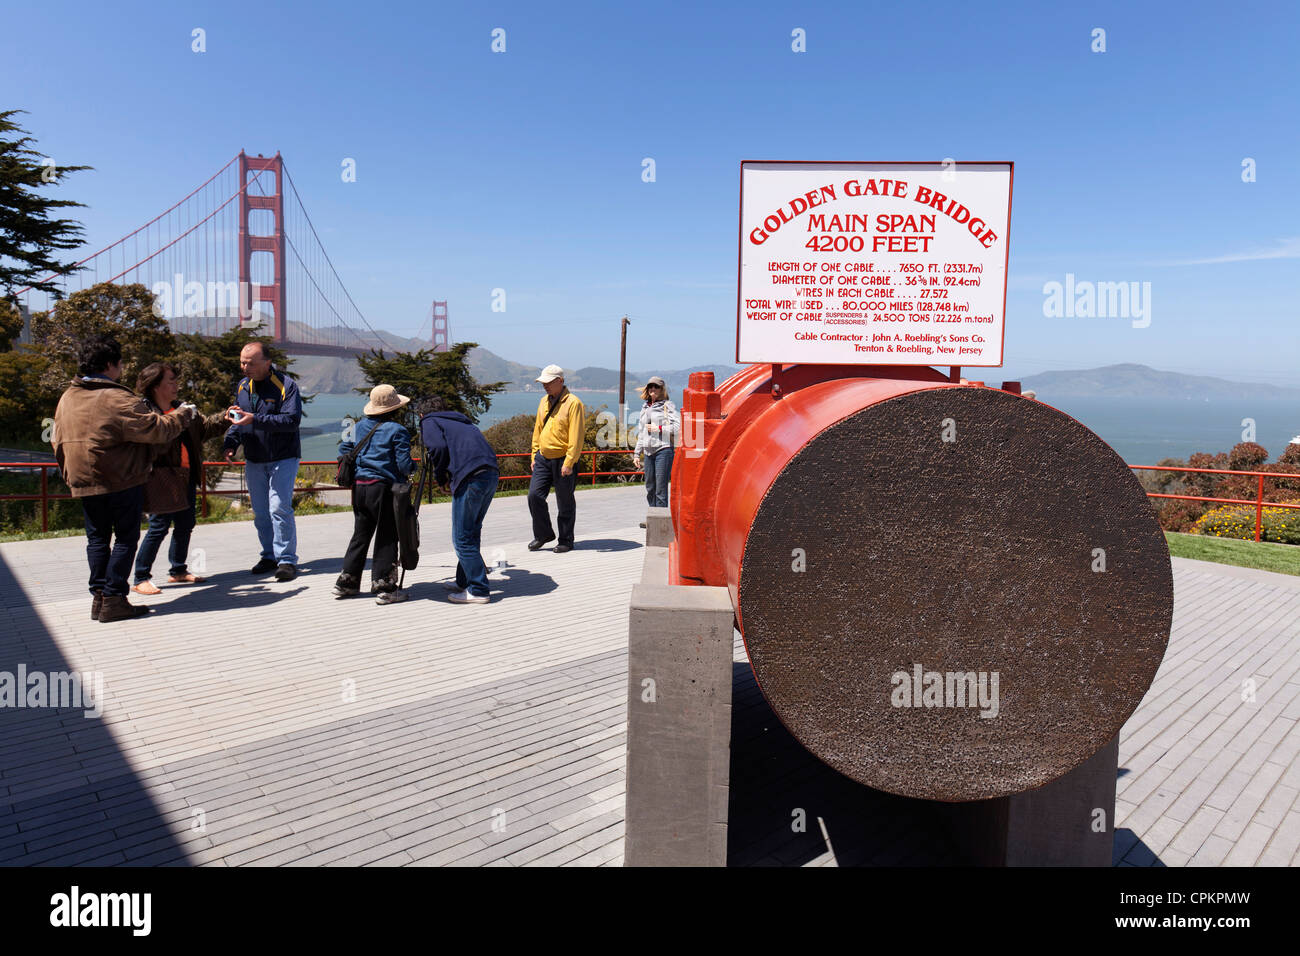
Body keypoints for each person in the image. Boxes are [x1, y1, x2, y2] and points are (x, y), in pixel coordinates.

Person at [52, 335, 197, 623]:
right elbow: (155, 429)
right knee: (126, 537)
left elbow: (56, 440)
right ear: (109, 365)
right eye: (119, 363)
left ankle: (99, 598)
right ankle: (115, 598)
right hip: (118, 478)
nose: (121, 369)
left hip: (81, 479)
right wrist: (182, 415)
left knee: (97, 539)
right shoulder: (116, 397)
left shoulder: (67, 397)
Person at [130, 364, 231, 595]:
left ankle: (178, 570)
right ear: (155, 386)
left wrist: (226, 417)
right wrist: (177, 420)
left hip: (186, 476)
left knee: (185, 525)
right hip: (160, 477)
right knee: (159, 527)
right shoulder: (145, 413)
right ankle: (140, 577)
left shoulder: (181, 409)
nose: (176, 385)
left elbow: (204, 429)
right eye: (171, 381)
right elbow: (151, 445)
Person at [223, 342, 302, 581]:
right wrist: (230, 443)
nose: (245, 367)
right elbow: (239, 418)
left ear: (267, 363)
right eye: (242, 362)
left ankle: (286, 560)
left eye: (251, 363)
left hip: (283, 457)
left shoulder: (286, 386)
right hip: (254, 458)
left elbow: (291, 421)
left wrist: (254, 419)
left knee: (279, 507)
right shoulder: (242, 386)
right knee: (260, 512)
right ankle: (269, 556)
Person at [334, 384, 414, 598]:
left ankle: (347, 581)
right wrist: (414, 468)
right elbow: (404, 465)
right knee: (387, 535)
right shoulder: (398, 431)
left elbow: (343, 450)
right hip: (383, 488)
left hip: (359, 487)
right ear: (394, 408)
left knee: (360, 534)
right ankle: (384, 585)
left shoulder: (354, 426)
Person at [419, 395, 500, 604]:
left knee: (462, 538)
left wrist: (441, 477)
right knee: (471, 531)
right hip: (490, 473)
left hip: (470, 477)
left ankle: (479, 590)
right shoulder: (461, 420)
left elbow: (436, 447)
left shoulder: (429, 420)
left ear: (422, 413)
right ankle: (464, 581)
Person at [527, 364, 584, 553]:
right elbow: (537, 429)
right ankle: (543, 534)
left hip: (563, 459)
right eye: (543, 382)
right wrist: (534, 453)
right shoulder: (543, 401)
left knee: (565, 501)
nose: (545, 386)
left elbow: (576, 436)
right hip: (543, 457)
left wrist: (569, 462)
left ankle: (566, 540)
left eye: (548, 382)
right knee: (534, 496)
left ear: (560, 381)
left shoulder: (573, 403)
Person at [631, 376, 679, 515]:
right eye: (651, 386)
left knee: (660, 488)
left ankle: (661, 521)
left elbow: (677, 427)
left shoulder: (667, 405)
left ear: (662, 389)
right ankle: (653, 517)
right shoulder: (645, 407)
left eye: (656, 386)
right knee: (650, 487)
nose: (653, 389)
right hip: (648, 452)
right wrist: (636, 453)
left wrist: (659, 428)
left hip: (663, 450)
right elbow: (642, 431)